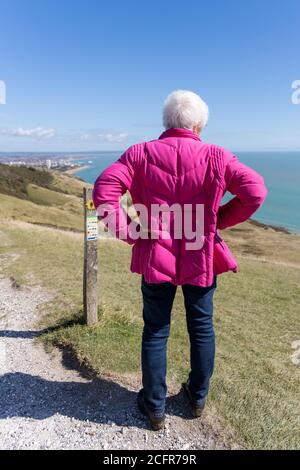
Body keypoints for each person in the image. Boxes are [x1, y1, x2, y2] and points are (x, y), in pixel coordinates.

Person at [92, 90, 267, 430]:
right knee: (201, 328)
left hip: (154, 255)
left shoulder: (139, 153)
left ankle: (154, 406)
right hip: (200, 257)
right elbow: (255, 192)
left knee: (156, 330)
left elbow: (103, 194)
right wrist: (216, 220)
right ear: (199, 124)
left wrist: (132, 232)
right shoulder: (216, 156)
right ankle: (196, 399)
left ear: (166, 122)